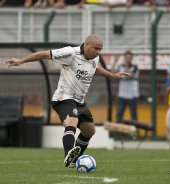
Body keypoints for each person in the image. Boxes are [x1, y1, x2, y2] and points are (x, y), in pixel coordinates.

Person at [5, 34, 130, 168]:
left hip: (80, 101)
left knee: (89, 131)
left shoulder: (94, 58)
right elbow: (43, 54)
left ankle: (74, 159)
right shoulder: (70, 53)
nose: (98, 52)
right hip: (63, 98)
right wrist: (20, 61)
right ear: (86, 45)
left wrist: (112, 75)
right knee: (72, 121)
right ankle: (68, 156)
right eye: (96, 49)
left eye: (100, 49)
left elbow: (97, 68)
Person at [114, 51, 139, 123]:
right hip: (122, 95)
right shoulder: (120, 66)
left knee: (133, 115)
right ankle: (117, 131)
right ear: (124, 58)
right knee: (119, 114)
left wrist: (126, 66)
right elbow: (113, 74)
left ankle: (135, 130)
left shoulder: (135, 67)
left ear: (132, 59)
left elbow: (129, 76)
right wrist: (115, 62)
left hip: (132, 95)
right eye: (126, 58)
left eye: (129, 58)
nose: (128, 59)